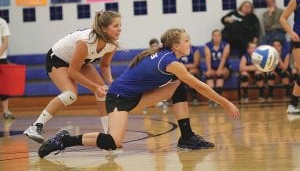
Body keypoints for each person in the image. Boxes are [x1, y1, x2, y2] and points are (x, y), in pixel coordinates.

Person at [37, 28, 240, 158]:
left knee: (179, 85)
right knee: (112, 143)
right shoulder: (171, 61)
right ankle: (63, 140)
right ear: (176, 46)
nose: (190, 43)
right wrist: (226, 103)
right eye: (187, 40)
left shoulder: (165, 56)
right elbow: (201, 87)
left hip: (133, 96)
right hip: (118, 97)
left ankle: (186, 137)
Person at [23, 11, 121, 143]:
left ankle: (109, 135)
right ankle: (35, 127)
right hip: (57, 59)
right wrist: (94, 87)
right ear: (104, 28)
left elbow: (105, 65)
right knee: (70, 94)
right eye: (116, 26)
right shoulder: (85, 41)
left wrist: (111, 82)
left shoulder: (112, 43)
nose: (120, 29)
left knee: (103, 92)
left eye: (120, 25)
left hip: (81, 62)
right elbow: (73, 73)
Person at [280, 0, 300, 113]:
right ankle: (293, 104)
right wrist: (291, 32)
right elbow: (282, 18)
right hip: (298, 38)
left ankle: (293, 103)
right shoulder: (296, 0)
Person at [204, 29, 231, 106]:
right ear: (212, 37)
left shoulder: (226, 45)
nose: (217, 37)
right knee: (209, 75)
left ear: (221, 36)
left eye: (218, 35)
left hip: (224, 67)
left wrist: (219, 69)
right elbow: (207, 57)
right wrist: (209, 70)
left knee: (220, 74)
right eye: (215, 35)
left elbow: (224, 58)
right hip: (212, 67)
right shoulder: (208, 45)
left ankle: (218, 100)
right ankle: (211, 99)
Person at [142, 38, 168, 114]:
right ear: (150, 47)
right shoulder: (146, 55)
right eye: (153, 46)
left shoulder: (161, 54)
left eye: (156, 46)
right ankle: (146, 104)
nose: (155, 47)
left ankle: (162, 102)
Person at [0, 16, 15, 120]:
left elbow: (5, 42)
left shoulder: (2, 22)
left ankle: (5, 111)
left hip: (1, 58)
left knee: (3, 86)